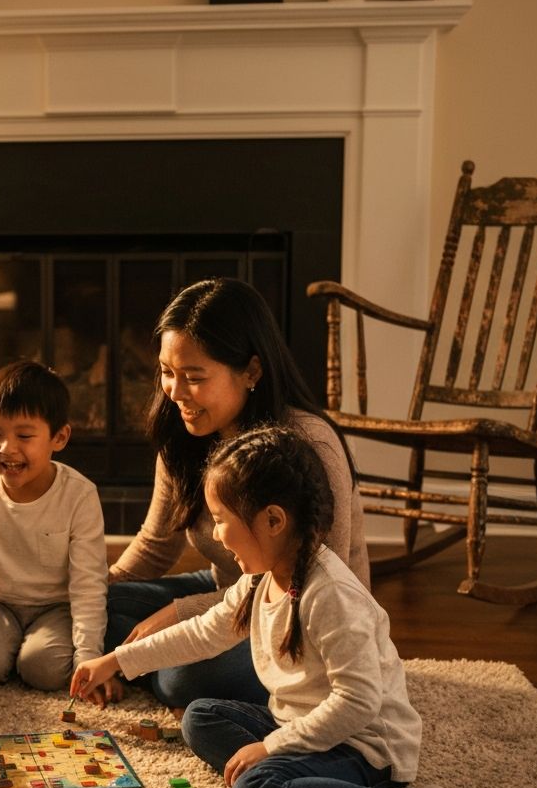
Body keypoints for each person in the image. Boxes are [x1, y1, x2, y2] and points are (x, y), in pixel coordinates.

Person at [72, 427, 513, 788]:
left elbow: (358, 702)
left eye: (223, 520)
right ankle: (302, 778)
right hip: (297, 724)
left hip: (363, 747)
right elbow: (205, 632)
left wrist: (271, 748)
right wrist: (115, 660)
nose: (219, 536)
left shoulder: (331, 595)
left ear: (274, 520)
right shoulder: (261, 578)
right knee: (200, 717)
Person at [105, 277, 369, 710]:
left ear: (251, 371)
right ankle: (147, 663)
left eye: (193, 377)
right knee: (104, 607)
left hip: (300, 623)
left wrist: (181, 615)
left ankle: (166, 671)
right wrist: (90, 593)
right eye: (167, 374)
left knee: (179, 678)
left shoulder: (307, 444)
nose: (175, 393)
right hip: (227, 595)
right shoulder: (184, 434)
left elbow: (312, 579)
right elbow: (155, 547)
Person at [0, 360, 109, 694]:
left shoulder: (79, 495)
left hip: (56, 608)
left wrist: (88, 656)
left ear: (58, 437)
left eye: (24, 435)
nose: (7, 448)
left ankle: (25, 651)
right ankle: (3, 645)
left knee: (44, 670)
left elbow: (88, 582)